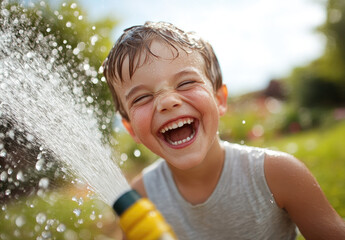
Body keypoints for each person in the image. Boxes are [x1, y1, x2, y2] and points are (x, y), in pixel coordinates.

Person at [103, 21, 345, 239]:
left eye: (186, 83)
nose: (167, 101)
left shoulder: (278, 175)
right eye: (142, 98)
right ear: (130, 129)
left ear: (219, 99)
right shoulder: (141, 196)